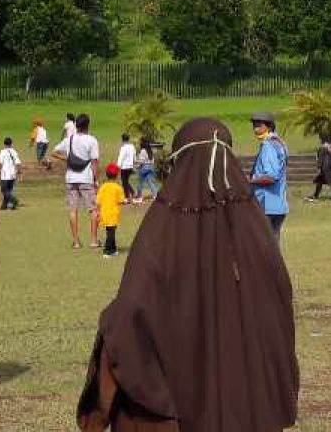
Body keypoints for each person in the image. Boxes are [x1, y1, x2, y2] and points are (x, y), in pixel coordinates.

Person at [76, 118, 299, 432]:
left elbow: (129, 311)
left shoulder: (161, 229)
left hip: (185, 399)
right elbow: (281, 314)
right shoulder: (256, 230)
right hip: (247, 407)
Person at [55, 113, 101, 249]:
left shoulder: (69, 139)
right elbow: (94, 162)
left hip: (70, 178)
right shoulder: (92, 140)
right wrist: (97, 180)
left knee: (73, 209)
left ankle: (76, 241)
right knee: (93, 209)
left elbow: (54, 152)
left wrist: (67, 159)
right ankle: (93, 240)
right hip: (86, 178)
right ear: (88, 125)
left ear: (76, 125)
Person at [249, 111, 289, 240]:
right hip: (278, 205)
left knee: (264, 245)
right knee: (272, 245)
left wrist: (250, 180)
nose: (256, 129)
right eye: (254, 125)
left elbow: (271, 177)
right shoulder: (280, 143)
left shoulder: (268, 145)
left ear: (269, 126)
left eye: (259, 125)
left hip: (267, 205)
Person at [96, 164, 126, 258]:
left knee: (110, 231)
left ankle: (113, 249)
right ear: (117, 175)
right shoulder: (118, 187)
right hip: (113, 213)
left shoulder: (103, 187)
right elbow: (121, 201)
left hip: (104, 212)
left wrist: (98, 212)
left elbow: (98, 201)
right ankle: (107, 250)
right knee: (111, 233)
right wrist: (126, 201)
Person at [307, 132, 331, 201]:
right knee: (324, 181)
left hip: (324, 167)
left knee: (324, 181)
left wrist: (318, 167)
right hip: (330, 167)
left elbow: (320, 158)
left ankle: (316, 196)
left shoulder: (322, 147)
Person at [0, 137, 21, 210]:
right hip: (13, 174)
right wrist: (19, 172)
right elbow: (18, 163)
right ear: (11, 143)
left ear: (4, 144)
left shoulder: (3, 152)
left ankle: (13, 200)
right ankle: (4, 206)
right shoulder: (14, 151)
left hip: (5, 174)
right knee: (9, 190)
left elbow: (0, 163)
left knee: (4, 190)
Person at [116, 133, 138, 203]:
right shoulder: (132, 147)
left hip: (124, 167)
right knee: (126, 181)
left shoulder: (123, 148)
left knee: (124, 182)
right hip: (130, 166)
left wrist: (118, 166)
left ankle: (127, 196)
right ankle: (132, 192)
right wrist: (134, 163)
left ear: (122, 139)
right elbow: (134, 156)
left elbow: (121, 158)